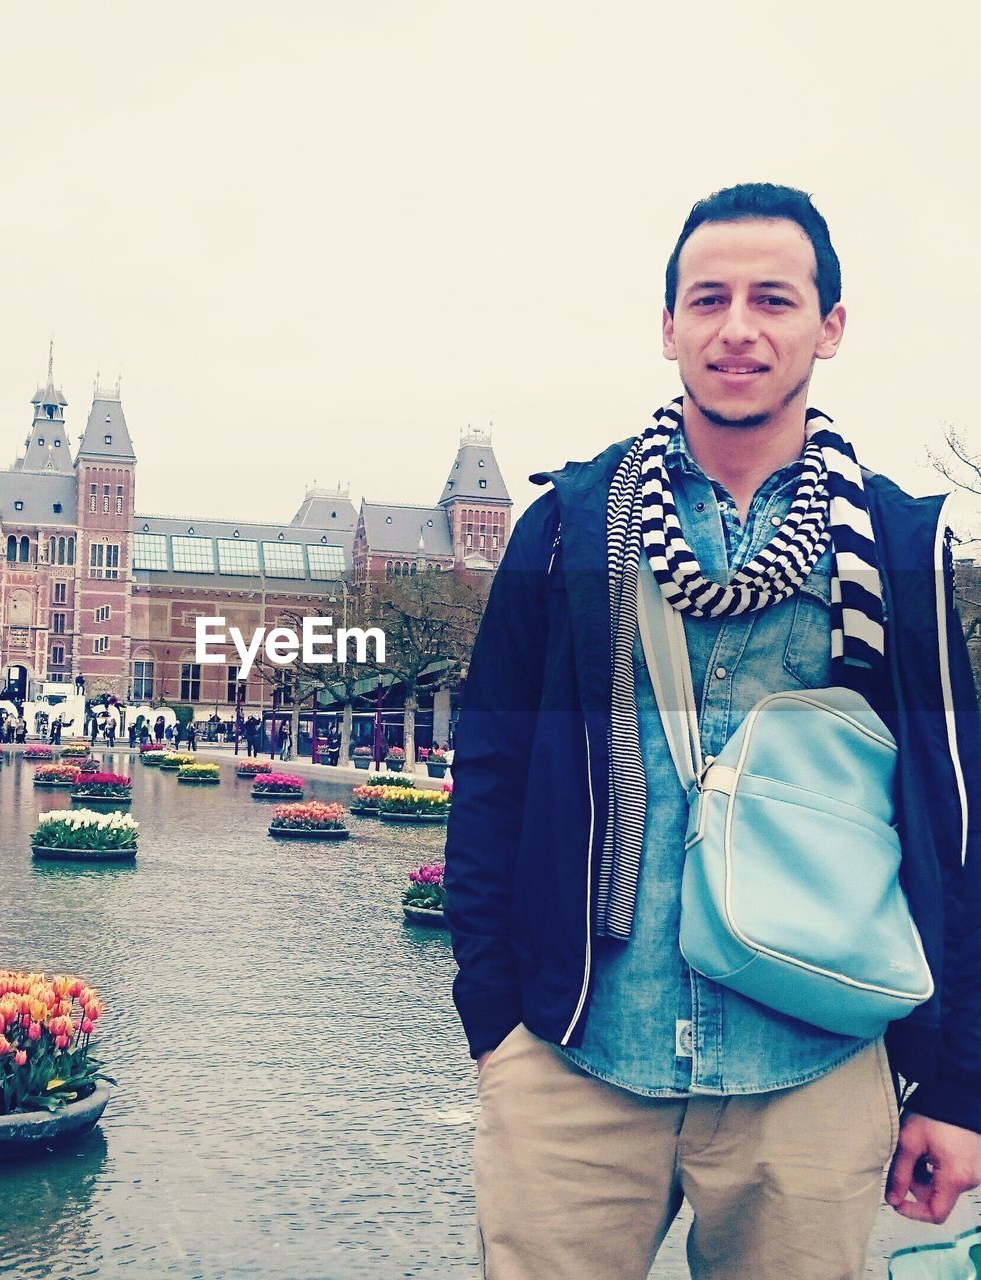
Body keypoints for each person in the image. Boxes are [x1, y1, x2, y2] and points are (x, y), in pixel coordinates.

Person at [447, 183, 981, 1280]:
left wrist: (960, 1085)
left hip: (814, 1069)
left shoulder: (894, 545)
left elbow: (955, 819)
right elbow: (488, 773)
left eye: (772, 299)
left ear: (826, 327)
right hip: (577, 1055)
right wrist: (492, 1018)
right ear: (667, 326)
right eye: (708, 299)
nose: (737, 326)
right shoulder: (565, 531)